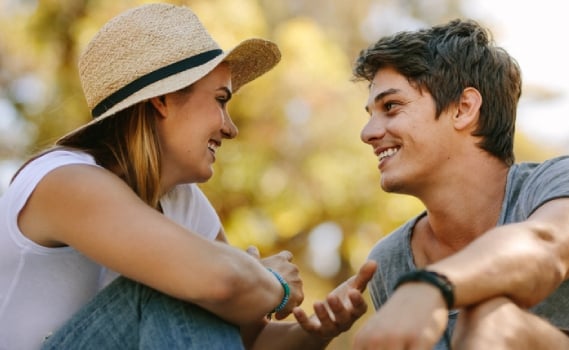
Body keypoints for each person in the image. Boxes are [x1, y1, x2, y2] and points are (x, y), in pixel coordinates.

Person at [0, 3, 375, 350]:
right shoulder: (64, 181)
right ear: (162, 100)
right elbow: (223, 283)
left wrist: (319, 329)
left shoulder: (184, 201)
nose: (231, 128)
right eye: (221, 100)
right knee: (173, 286)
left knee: (193, 284)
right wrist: (270, 281)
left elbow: (249, 336)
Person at [350, 18, 569, 349]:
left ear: (463, 109)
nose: (368, 133)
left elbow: (545, 249)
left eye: (391, 107)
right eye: (370, 114)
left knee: (493, 324)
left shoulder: (567, 184)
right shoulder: (390, 261)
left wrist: (433, 285)